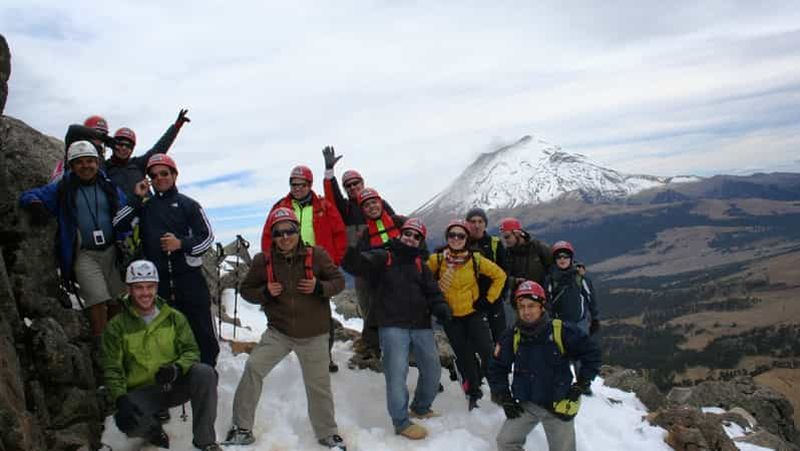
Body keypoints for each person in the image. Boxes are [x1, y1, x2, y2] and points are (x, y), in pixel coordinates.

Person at [226, 207, 347, 450]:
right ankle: (241, 427)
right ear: (273, 235)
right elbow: (247, 291)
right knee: (253, 368)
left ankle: (328, 433)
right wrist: (265, 293)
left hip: (314, 334)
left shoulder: (317, 255)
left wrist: (318, 287)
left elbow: (339, 282)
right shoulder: (264, 261)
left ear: (297, 231)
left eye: (289, 231)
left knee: (318, 385)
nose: (284, 237)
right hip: (279, 332)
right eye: (279, 233)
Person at [342, 218, 451, 440]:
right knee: (396, 374)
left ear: (420, 241)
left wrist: (440, 307)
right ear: (400, 235)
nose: (411, 238)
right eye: (408, 233)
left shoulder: (421, 264)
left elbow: (432, 292)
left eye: (416, 236)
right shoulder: (385, 256)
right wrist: (348, 250)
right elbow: (359, 264)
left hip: (420, 325)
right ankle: (401, 422)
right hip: (392, 326)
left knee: (432, 370)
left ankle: (420, 407)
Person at [103, 260, 220, 451]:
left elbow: (191, 351)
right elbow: (112, 369)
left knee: (205, 373)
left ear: (157, 287)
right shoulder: (116, 327)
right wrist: (120, 399)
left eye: (150, 287)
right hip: (142, 391)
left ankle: (205, 441)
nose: (145, 293)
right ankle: (152, 430)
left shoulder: (174, 317)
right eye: (139, 287)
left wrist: (176, 368)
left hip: (173, 383)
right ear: (129, 289)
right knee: (127, 422)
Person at [117, 153, 219, 366]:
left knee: (203, 334)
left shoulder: (188, 205)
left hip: (190, 280)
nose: (159, 178)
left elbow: (206, 238)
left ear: (174, 175)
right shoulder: (144, 207)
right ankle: (176, 383)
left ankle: (207, 377)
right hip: (159, 285)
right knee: (167, 336)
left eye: (164, 173)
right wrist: (136, 198)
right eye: (153, 176)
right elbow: (118, 225)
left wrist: (181, 244)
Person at [20, 141, 128, 337]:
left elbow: (126, 211)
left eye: (90, 161)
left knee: (117, 300)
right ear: (71, 165)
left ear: (97, 162)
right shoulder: (63, 188)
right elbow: (30, 194)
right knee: (96, 301)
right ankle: (101, 348)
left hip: (113, 251)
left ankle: (114, 346)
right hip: (84, 254)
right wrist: (35, 204)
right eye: (79, 162)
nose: (85, 166)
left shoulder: (109, 188)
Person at [488, 280, 601, 451]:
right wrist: (504, 396)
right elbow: (497, 366)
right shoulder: (512, 336)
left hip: (559, 403)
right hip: (527, 403)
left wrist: (582, 383)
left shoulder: (561, 330)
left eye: (531, 306)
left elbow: (591, 352)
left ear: (542, 306)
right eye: (522, 306)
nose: (526, 312)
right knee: (506, 442)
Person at [260, 164, 347, 372]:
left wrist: (332, 262)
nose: (297, 188)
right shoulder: (281, 206)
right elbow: (267, 235)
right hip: (287, 264)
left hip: (317, 263)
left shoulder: (323, 207)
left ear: (309, 184)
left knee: (321, 310)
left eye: (301, 184)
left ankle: (325, 356)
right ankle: (285, 347)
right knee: (286, 305)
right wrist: (270, 262)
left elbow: (339, 234)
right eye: (293, 184)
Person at [427, 219, 506, 410]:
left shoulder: (475, 259)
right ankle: (473, 392)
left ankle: (499, 390)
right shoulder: (437, 260)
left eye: (460, 235)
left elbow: (500, 276)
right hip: (451, 317)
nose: (456, 238)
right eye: (452, 235)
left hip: (473, 313)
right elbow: (423, 280)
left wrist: (487, 300)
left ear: (466, 238)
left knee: (487, 352)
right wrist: (436, 303)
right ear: (447, 238)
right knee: (464, 356)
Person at [347, 187, 407, 363]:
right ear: (363, 210)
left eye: (374, 202)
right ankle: (376, 351)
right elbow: (359, 262)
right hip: (379, 283)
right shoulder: (362, 235)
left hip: (406, 281)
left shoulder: (400, 222)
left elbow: (420, 248)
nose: (372, 207)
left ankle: (416, 362)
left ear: (381, 203)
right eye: (366, 205)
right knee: (377, 317)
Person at [105, 108, 191, 198]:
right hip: (121, 210)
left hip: (148, 210)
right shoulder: (104, 168)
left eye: (129, 146)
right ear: (112, 144)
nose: (124, 148)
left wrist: (176, 127)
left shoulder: (137, 164)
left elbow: (159, 148)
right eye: (120, 144)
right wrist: (103, 139)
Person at [321, 145, 395, 245]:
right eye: (348, 185)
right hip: (361, 257)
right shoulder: (346, 208)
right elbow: (333, 196)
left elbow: (398, 225)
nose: (352, 187)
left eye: (355, 183)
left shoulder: (380, 203)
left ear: (362, 183)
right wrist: (329, 171)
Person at [466, 207, 508, 342]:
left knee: (499, 339)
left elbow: (505, 271)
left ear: (485, 224)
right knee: (476, 341)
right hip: (471, 302)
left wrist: (500, 295)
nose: (476, 225)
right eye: (473, 221)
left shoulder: (494, 244)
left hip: (494, 300)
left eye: (480, 221)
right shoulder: (461, 243)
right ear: (467, 223)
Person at [545, 241, 599, 337]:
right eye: (558, 257)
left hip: (579, 323)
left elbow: (590, 298)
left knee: (582, 350)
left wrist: (595, 318)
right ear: (554, 260)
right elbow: (547, 301)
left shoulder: (580, 278)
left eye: (566, 256)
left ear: (571, 258)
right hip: (559, 325)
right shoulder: (551, 280)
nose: (562, 259)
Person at [50, 115, 118, 182]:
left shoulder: (100, 155)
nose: (100, 135)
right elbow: (73, 129)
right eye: (97, 131)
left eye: (104, 133)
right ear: (86, 132)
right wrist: (104, 137)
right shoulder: (75, 147)